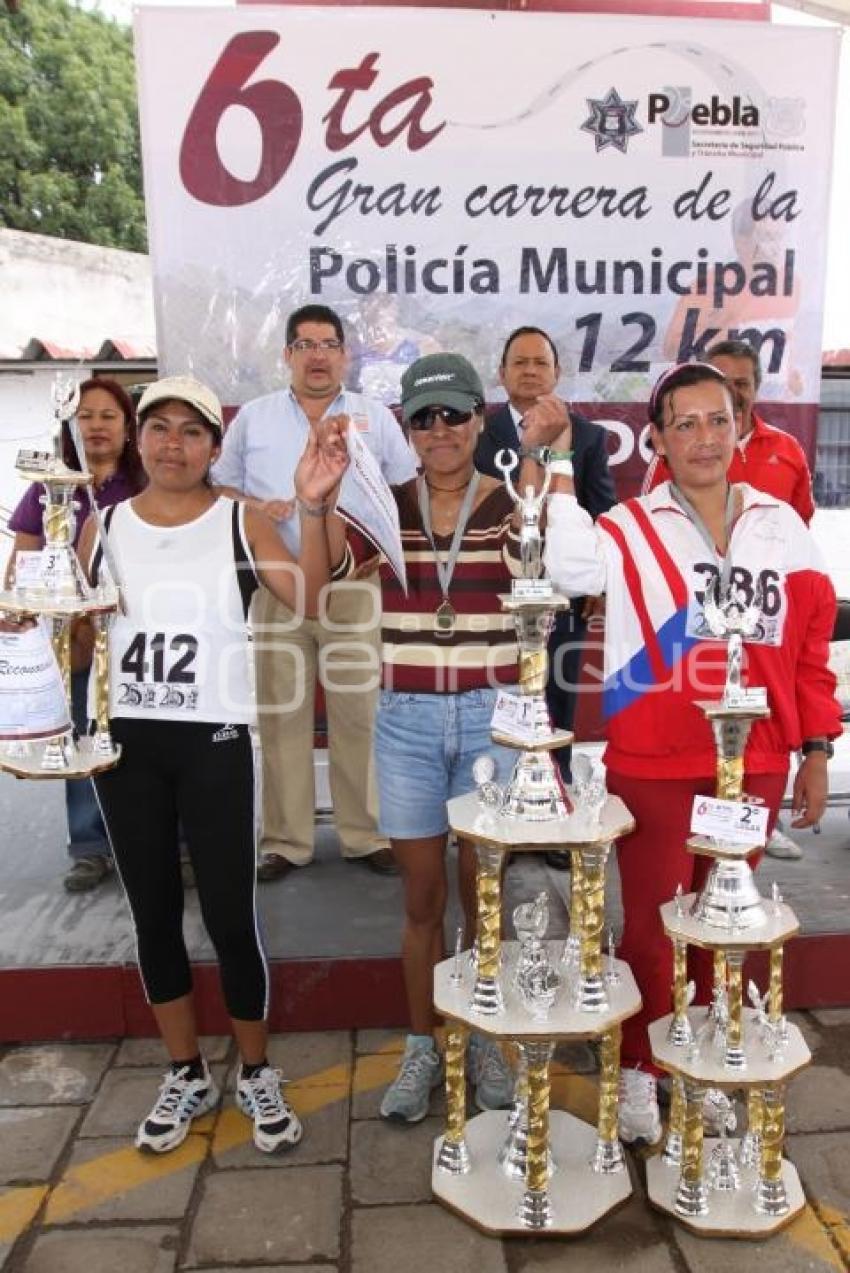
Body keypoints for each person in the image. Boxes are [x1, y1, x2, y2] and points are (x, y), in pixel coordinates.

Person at [544, 361, 840, 1146]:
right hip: (656, 759)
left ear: (740, 427)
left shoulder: (784, 526)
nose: (705, 437)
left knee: (727, 924)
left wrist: (816, 747)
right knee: (651, 926)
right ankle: (643, 1068)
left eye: (718, 420)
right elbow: (565, 568)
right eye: (686, 424)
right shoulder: (629, 528)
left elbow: (810, 653)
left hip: (759, 758)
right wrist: (560, 467)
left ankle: (699, 1063)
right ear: (660, 439)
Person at [78, 375, 348, 1155]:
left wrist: (314, 504)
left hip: (216, 743)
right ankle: (185, 1069)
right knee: (153, 913)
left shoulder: (239, 521)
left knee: (231, 916)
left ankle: (256, 1069)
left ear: (213, 446)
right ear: (138, 438)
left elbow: (310, 596)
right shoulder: (101, 525)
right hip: (129, 745)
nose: (172, 444)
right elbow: (84, 641)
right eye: (157, 428)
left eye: (190, 431)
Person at [321, 353, 565, 1124]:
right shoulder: (385, 506)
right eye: (422, 417)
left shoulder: (507, 502)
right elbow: (320, 573)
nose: (439, 431)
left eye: (453, 414)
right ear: (406, 427)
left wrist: (541, 458)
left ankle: (484, 1034)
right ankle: (424, 1041)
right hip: (410, 722)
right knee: (422, 898)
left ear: (479, 417)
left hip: (492, 722)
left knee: (482, 897)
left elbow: (547, 551)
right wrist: (319, 499)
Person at [212, 303, 417, 881]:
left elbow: (405, 490)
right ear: (287, 356)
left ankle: (366, 834)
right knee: (282, 717)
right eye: (305, 344)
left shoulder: (374, 416)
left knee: (359, 714)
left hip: (353, 590)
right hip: (277, 586)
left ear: (347, 355)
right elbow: (220, 488)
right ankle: (286, 841)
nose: (319, 354)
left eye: (330, 343)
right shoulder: (254, 418)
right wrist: (257, 507)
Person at [644, 339, 816, 860]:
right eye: (722, 380)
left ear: (753, 393)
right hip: (687, 667)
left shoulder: (787, 452)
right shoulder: (665, 478)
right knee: (672, 886)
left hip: (761, 671)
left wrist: (816, 748)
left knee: (731, 892)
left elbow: (801, 553)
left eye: (741, 384)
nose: (706, 436)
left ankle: (761, 815)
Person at [475, 326, 616, 868]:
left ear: (556, 374)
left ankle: (554, 819)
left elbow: (602, 512)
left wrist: (596, 585)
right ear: (503, 374)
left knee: (555, 705)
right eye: (520, 363)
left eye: (541, 362)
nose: (531, 371)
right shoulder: (479, 434)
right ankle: (507, 817)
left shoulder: (586, 435)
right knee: (500, 704)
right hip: (494, 597)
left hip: (562, 602)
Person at [5, 377, 146, 892]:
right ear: (70, 424)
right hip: (73, 637)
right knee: (80, 736)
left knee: (146, 737)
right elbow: (24, 554)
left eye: (108, 416)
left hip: (137, 633)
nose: (96, 426)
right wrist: (17, 611)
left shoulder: (147, 483)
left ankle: (168, 844)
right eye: (85, 416)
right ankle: (89, 846)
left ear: (129, 427)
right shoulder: (48, 486)